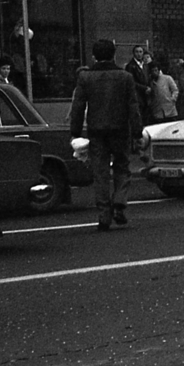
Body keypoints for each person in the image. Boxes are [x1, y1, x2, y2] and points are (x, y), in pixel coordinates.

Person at [69, 39, 142, 231]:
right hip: (120, 129)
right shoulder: (125, 77)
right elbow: (133, 107)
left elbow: (78, 106)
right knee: (122, 166)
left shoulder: (85, 77)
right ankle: (119, 202)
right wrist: (137, 131)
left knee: (100, 172)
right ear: (113, 55)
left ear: (94, 56)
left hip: (96, 130)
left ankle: (103, 215)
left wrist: (75, 132)